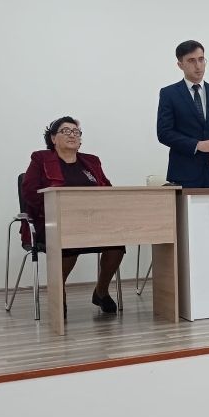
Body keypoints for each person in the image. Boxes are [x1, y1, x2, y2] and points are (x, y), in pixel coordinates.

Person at [21, 117, 125, 317]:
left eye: (76, 132)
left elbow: (106, 189)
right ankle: (59, 293)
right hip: (52, 223)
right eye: (66, 131)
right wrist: (58, 209)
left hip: (91, 221)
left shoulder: (92, 161)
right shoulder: (41, 159)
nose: (72, 135)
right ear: (53, 138)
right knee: (69, 239)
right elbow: (29, 191)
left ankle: (101, 291)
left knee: (117, 241)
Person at [157, 40, 209, 188]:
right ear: (180, 65)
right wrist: (197, 145)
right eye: (191, 61)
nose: (198, 66)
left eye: (201, 59)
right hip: (184, 174)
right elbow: (164, 133)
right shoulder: (169, 94)